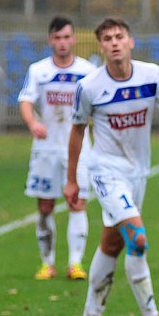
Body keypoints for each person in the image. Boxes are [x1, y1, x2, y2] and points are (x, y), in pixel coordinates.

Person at [63, 16, 159, 316]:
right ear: (100, 46)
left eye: (119, 36)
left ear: (130, 42)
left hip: (138, 172)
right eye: (107, 38)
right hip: (106, 171)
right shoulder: (90, 86)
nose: (114, 42)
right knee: (137, 238)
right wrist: (72, 180)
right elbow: (77, 132)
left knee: (112, 242)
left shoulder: (151, 75)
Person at [19, 16, 97, 281]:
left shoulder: (87, 70)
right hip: (46, 149)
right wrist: (33, 123)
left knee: (77, 202)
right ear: (50, 40)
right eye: (57, 38)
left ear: (74, 39)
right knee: (44, 206)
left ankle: (75, 263)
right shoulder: (38, 70)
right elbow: (26, 100)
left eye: (67, 37)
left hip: (78, 150)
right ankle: (47, 263)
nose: (63, 43)